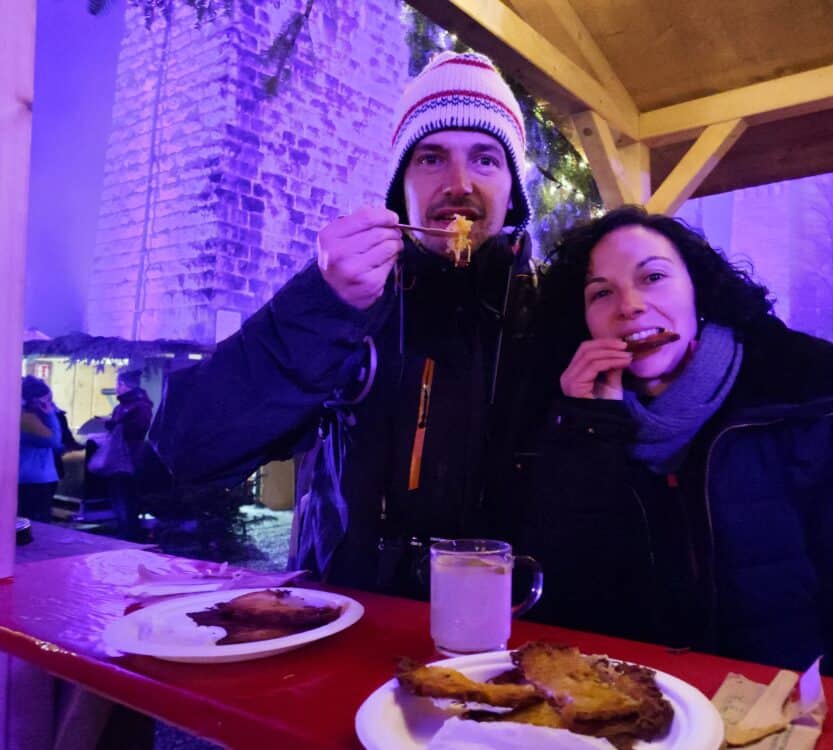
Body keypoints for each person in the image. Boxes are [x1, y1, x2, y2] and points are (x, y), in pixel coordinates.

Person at [150, 51, 541, 596]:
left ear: (512, 192)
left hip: (511, 635)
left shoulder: (550, 312)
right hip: (352, 619)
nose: (458, 183)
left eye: (484, 159)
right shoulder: (354, 302)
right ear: (399, 189)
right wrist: (323, 304)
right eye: (430, 158)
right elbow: (188, 446)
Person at [522, 206, 833, 683]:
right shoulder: (570, 417)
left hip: (783, 703)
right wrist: (588, 428)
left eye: (653, 277)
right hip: (641, 702)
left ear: (697, 289)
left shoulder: (805, 387)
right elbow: (566, 597)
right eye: (602, 292)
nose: (630, 305)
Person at [105, 369, 153, 539]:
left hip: (128, 456)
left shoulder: (139, 406)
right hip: (121, 456)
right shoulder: (124, 406)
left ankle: (128, 530)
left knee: (126, 494)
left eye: (119, 384)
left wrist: (113, 425)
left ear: (125, 385)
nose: (116, 388)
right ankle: (124, 527)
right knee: (119, 493)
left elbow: (137, 429)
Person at [18, 375, 63, 521]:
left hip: (29, 478)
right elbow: (54, 440)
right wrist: (50, 415)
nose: (50, 405)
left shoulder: (27, 416)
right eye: (45, 401)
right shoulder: (27, 419)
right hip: (34, 480)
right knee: (37, 525)